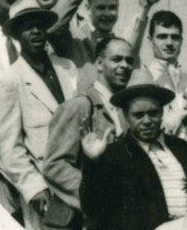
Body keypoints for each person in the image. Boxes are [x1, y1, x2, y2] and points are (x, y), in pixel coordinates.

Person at [79, 80, 187, 230]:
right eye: (138, 115)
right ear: (125, 117)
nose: (147, 120)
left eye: (153, 113)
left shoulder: (181, 148)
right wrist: (93, 163)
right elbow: (93, 206)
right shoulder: (115, 154)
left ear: (163, 113)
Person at [0, 0, 80, 230]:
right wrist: (35, 189)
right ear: (16, 35)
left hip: (78, 178)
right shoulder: (10, 81)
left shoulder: (67, 68)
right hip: (45, 188)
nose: (36, 31)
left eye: (40, 25)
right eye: (27, 26)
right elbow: (11, 148)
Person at [43, 35, 133, 212]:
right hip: (90, 218)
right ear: (99, 64)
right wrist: (94, 194)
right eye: (117, 59)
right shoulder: (79, 107)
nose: (124, 66)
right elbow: (54, 166)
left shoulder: (126, 110)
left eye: (129, 61)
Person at [143, 10, 187, 142]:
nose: (169, 43)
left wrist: (183, 113)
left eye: (175, 37)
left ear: (181, 40)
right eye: (162, 36)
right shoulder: (144, 78)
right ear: (150, 40)